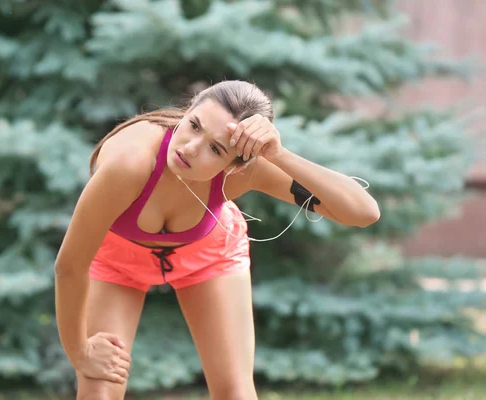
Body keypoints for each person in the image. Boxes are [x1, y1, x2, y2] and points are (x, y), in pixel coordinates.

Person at [54, 80, 380, 400]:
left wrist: (278, 156)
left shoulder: (246, 172)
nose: (190, 148)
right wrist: (80, 353)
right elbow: (69, 267)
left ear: (236, 166)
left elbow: (363, 212)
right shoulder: (131, 164)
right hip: (117, 260)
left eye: (215, 148)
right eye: (194, 125)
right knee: (100, 386)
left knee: (235, 392)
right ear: (188, 109)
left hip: (209, 253)